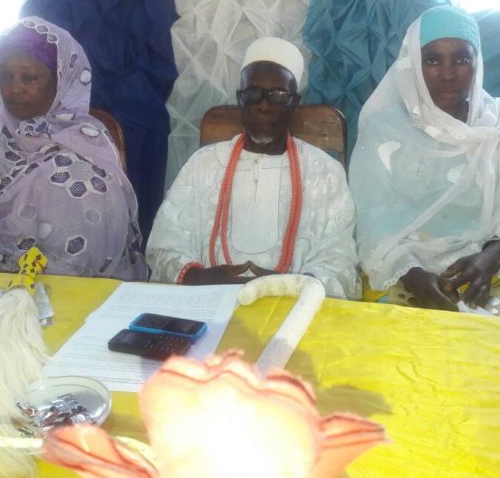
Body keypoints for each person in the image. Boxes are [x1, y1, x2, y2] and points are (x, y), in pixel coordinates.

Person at [350, 6, 500, 312]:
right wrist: (412, 274)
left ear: (477, 62)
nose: (448, 75)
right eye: (432, 60)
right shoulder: (384, 132)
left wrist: (491, 257)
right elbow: (372, 223)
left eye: (461, 59)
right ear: (413, 64)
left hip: (490, 274)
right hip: (400, 275)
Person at [0, 17, 148, 280]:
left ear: (60, 81)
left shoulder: (87, 148)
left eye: (29, 77)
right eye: (6, 76)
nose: (15, 88)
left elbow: (86, 253)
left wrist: (19, 279)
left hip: (65, 288)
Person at [146, 37, 359, 299]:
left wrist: (283, 286)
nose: (264, 105)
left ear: (294, 102)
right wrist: (199, 277)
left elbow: (338, 260)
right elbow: (165, 244)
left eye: (278, 95)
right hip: (206, 303)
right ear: (240, 99)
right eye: (253, 93)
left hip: (292, 307)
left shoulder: (324, 172)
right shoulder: (202, 164)